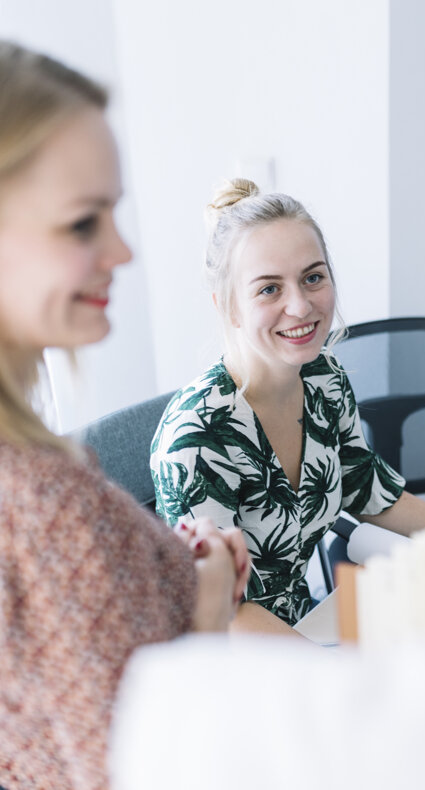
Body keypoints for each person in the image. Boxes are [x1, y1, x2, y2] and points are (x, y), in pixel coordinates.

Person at [0, 41, 249, 790]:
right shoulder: (46, 504)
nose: (123, 251)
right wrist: (205, 616)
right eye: (83, 225)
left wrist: (163, 571)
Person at [151, 177, 425, 635]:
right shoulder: (195, 440)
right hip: (237, 660)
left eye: (313, 277)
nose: (301, 306)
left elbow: (367, 491)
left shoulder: (324, 379)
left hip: (309, 623)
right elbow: (226, 614)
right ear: (228, 306)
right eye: (269, 289)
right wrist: (343, 687)